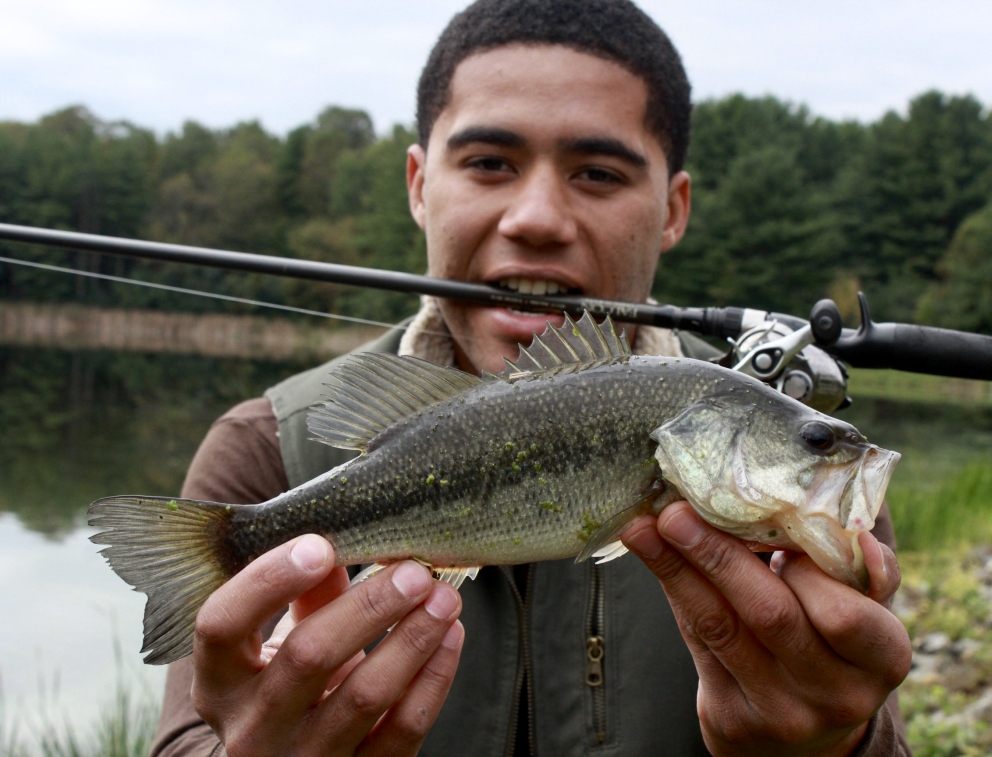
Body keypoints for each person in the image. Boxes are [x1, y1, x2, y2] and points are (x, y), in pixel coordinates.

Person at [150, 1, 912, 755]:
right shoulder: (260, 450)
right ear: (419, 185)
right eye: (488, 163)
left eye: (598, 172)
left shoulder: (801, 512)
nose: (538, 217)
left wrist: (839, 742)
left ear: (673, 209)